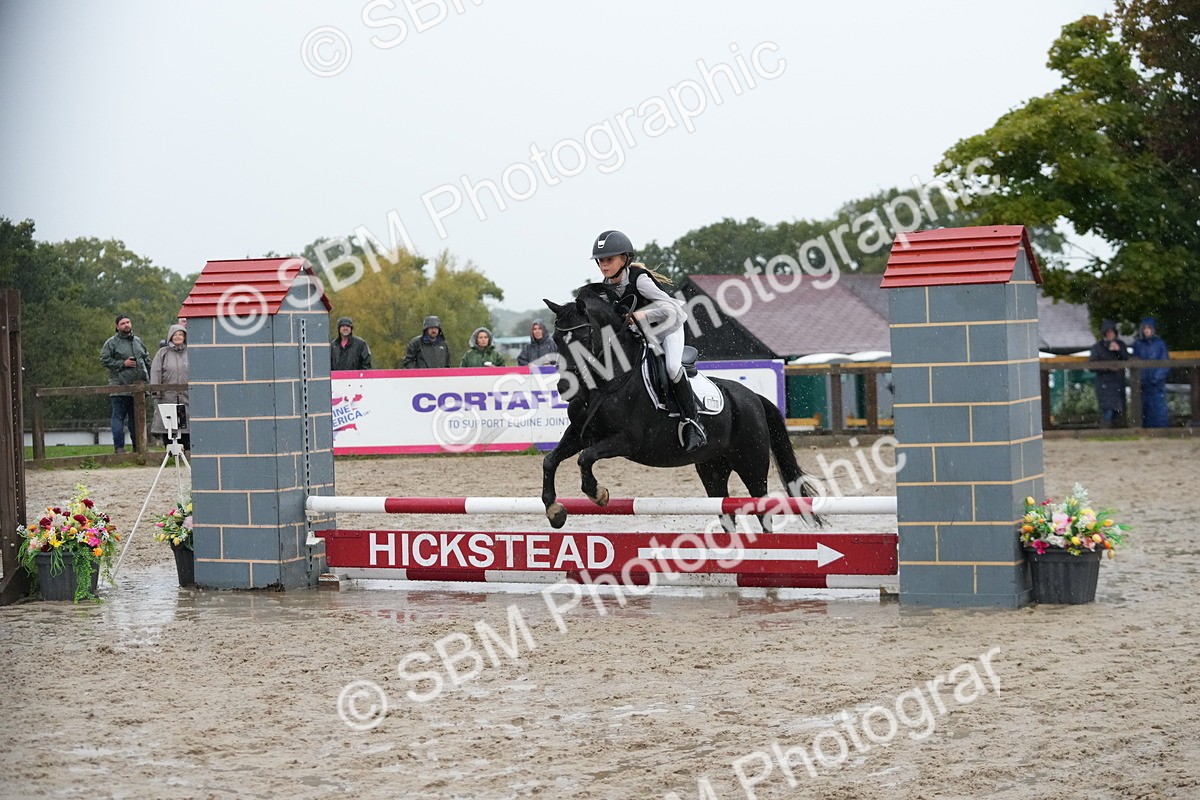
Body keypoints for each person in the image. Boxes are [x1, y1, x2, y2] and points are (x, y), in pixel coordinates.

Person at [592, 229, 706, 452]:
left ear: (624, 259)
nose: (604, 265)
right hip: (643, 334)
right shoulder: (606, 286)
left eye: (609, 259)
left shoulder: (640, 280)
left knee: (672, 367)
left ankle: (693, 423)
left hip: (669, 327)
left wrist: (644, 314)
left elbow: (672, 309)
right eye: (601, 261)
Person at [99, 314, 151, 454]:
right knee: (118, 418)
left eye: (128, 322)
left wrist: (149, 381)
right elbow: (104, 360)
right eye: (122, 323)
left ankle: (138, 447)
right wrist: (122, 364)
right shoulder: (111, 343)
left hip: (138, 388)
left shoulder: (138, 341)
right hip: (120, 387)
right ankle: (119, 448)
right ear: (117, 327)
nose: (126, 325)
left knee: (136, 419)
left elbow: (147, 360)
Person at [150, 324, 190, 450]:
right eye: (175, 334)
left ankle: (187, 451)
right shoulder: (163, 353)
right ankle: (170, 451)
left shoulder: (191, 351)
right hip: (168, 395)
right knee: (168, 423)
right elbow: (156, 371)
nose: (178, 337)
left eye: (181, 334)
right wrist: (156, 391)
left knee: (186, 423)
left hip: (186, 395)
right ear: (170, 337)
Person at [1131, 316, 1170, 428]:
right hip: (1143, 385)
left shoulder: (1160, 344)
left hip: (1157, 385)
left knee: (1159, 411)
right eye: (1144, 328)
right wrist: (1140, 380)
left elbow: (1165, 364)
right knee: (1144, 411)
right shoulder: (1138, 344)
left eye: (1149, 327)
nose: (1146, 330)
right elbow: (1135, 362)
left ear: (1154, 329)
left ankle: (1161, 433)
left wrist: (1155, 378)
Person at [1089, 320, 1127, 428]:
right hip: (1104, 384)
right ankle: (1105, 431)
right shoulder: (1097, 347)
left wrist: (1118, 350)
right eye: (1108, 332)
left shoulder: (1120, 345)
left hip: (1118, 384)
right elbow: (1092, 365)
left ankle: (1115, 433)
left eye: (1112, 332)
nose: (1110, 334)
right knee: (1108, 410)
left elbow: (1127, 359)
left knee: (1118, 411)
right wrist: (1108, 368)